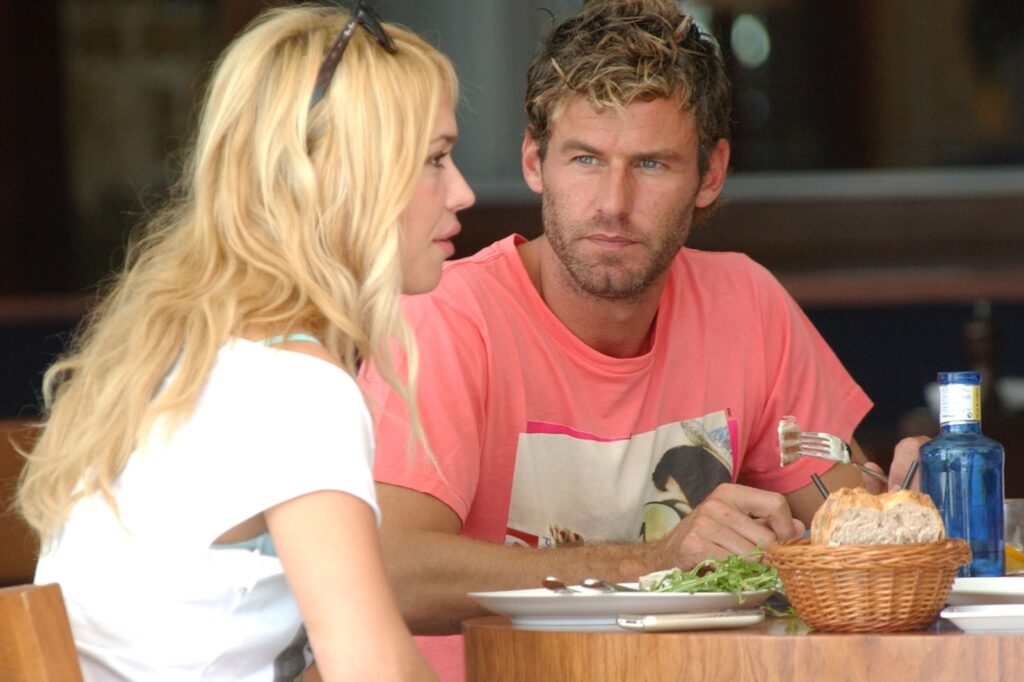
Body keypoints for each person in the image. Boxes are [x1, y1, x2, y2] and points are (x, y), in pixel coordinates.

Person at [359, 1, 920, 679]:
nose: (613, 204)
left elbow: (848, 531)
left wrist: (903, 511)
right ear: (535, 161)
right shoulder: (446, 317)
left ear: (710, 174)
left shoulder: (745, 303)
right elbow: (389, 571)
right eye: (585, 159)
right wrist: (653, 564)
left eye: (651, 164)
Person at [16, 4, 473, 680]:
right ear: (342, 178)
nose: (461, 191)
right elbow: (369, 668)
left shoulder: (183, 349)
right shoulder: (294, 386)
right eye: (435, 159)